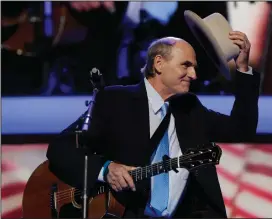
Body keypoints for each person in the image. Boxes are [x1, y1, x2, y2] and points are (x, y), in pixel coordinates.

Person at [47, 32, 260, 218]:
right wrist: (106, 169)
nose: (194, 75)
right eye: (186, 65)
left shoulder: (190, 108)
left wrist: (243, 69)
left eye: (194, 68)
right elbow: (60, 149)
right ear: (158, 63)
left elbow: (241, 129)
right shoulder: (115, 100)